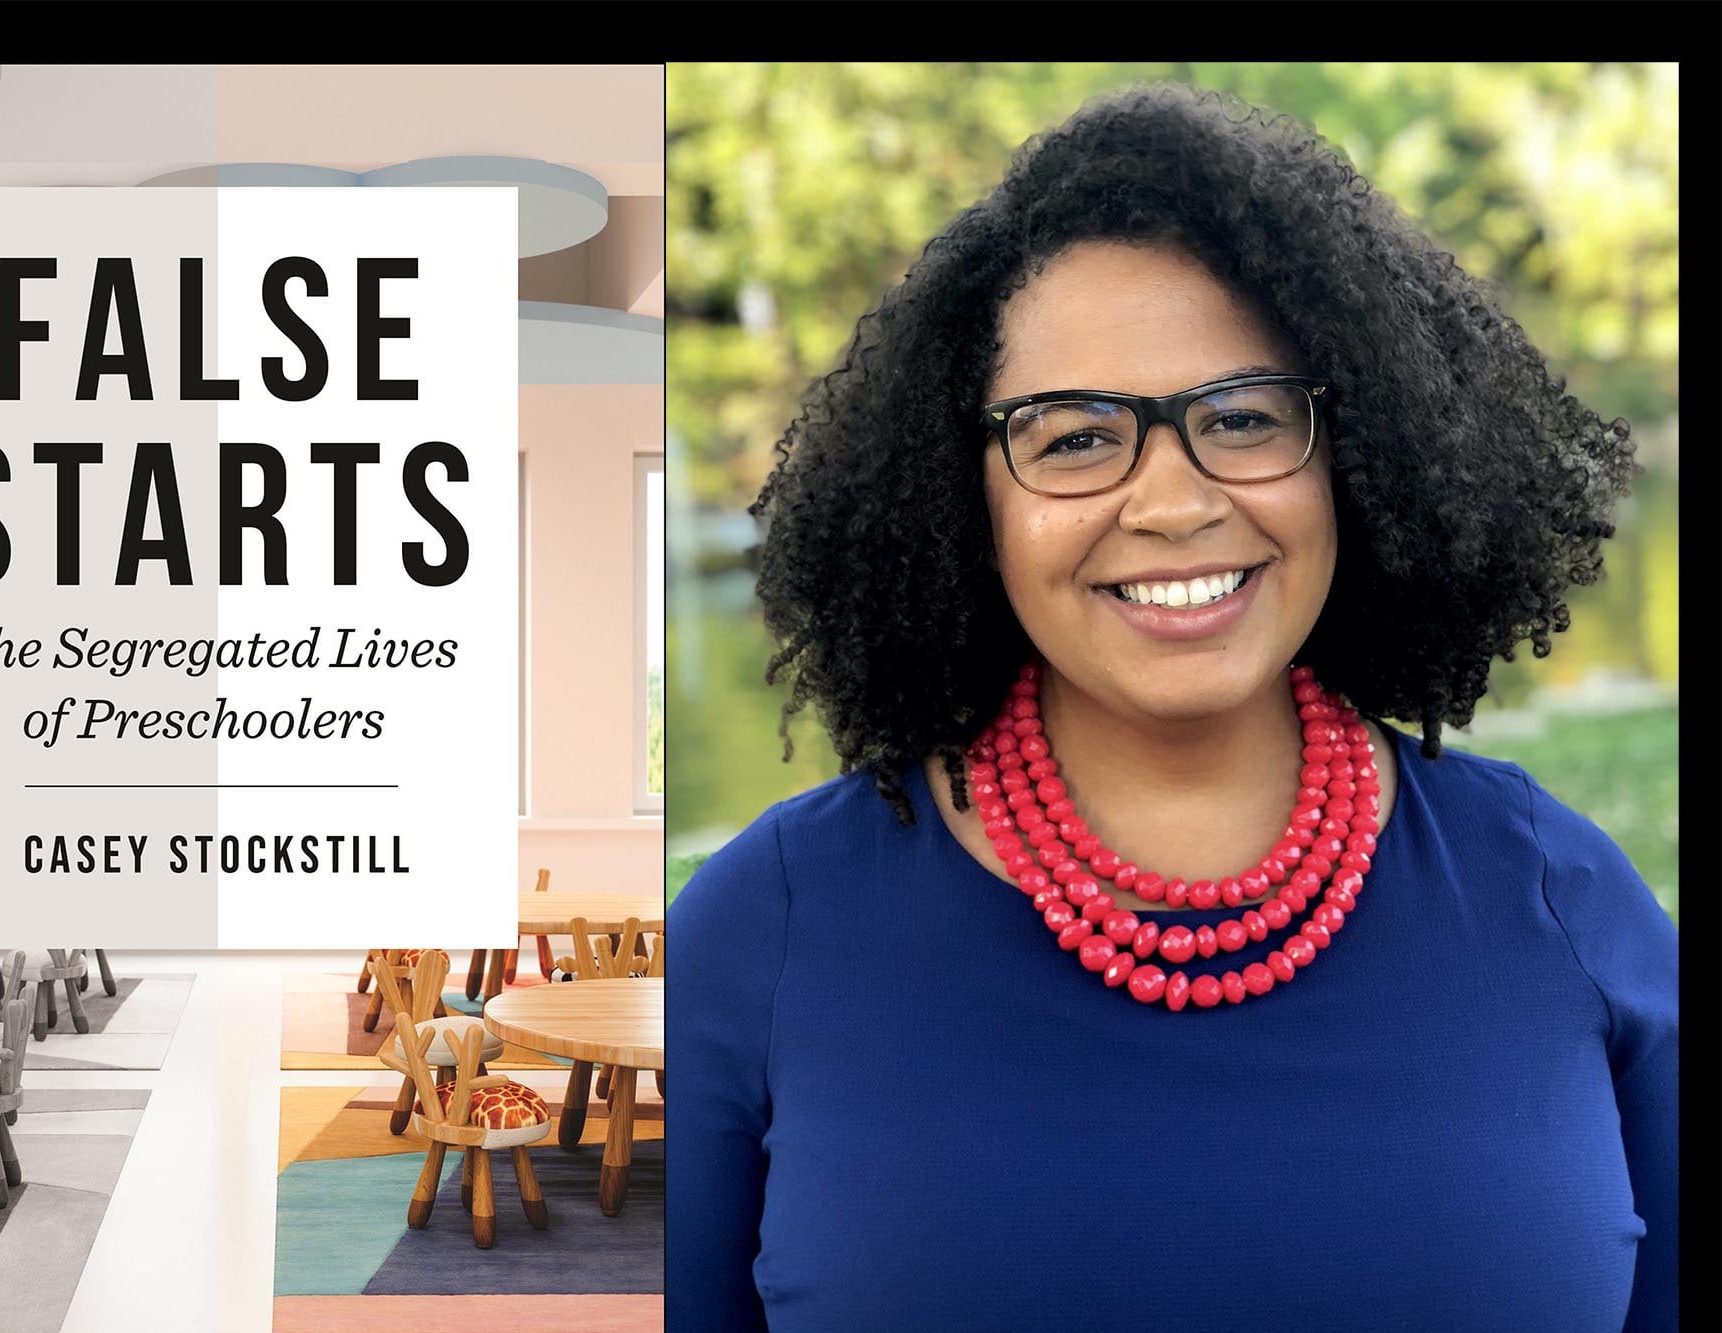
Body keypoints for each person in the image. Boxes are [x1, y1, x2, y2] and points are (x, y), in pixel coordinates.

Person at [667, 83, 1675, 1333]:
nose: (1171, 500)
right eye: (1075, 437)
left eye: (1243, 418)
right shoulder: (757, 936)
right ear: (961, 500)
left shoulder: (1560, 900)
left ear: (1350, 459)